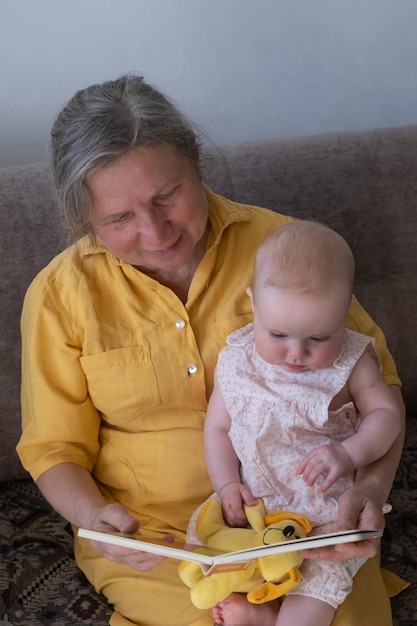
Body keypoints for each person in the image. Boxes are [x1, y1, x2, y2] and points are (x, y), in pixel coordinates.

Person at [16, 74, 405, 626]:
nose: (155, 231)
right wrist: (93, 515)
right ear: (84, 218)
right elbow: (53, 448)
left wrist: (366, 490)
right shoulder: (59, 296)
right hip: (162, 539)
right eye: (120, 218)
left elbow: (381, 397)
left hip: (307, 521)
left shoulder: (289, 253)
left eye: (166, 196)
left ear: (196, 165)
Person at [202, 221, 402, 626]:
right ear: (253, 303)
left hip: (328, 515)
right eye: (277, 333)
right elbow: (218, 430)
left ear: (344, 314)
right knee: (226, 568)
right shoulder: (237, 359)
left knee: (315, 590)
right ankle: (264, 610)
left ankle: (278, 618)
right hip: (259, 512)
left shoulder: (352, 361)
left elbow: (388, 415)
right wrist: (226, 485)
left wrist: (349, 452)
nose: (296, 353)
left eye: (318, 338)